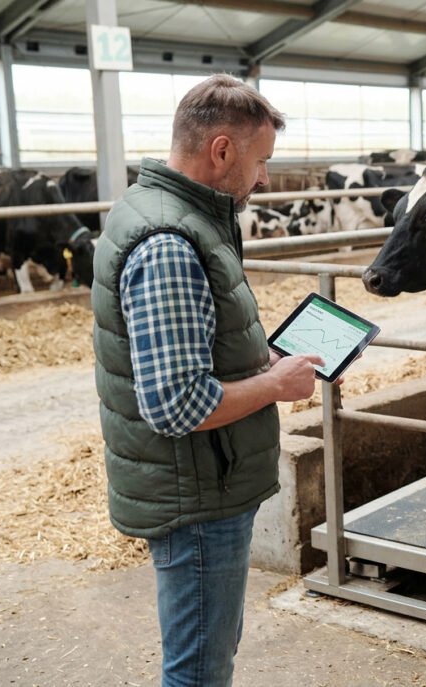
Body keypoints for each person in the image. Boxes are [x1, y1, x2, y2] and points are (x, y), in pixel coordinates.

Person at [91, 74, 323, 686]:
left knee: (207, 653)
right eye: (261, 161)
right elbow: (176, 404)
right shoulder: (170, 243)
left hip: (201, 480)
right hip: (196, 496)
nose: (264, 179)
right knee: (198, 671)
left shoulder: (172, 213)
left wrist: (257, 362)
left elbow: (191, 353)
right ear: (221, 151)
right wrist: (276, 385)